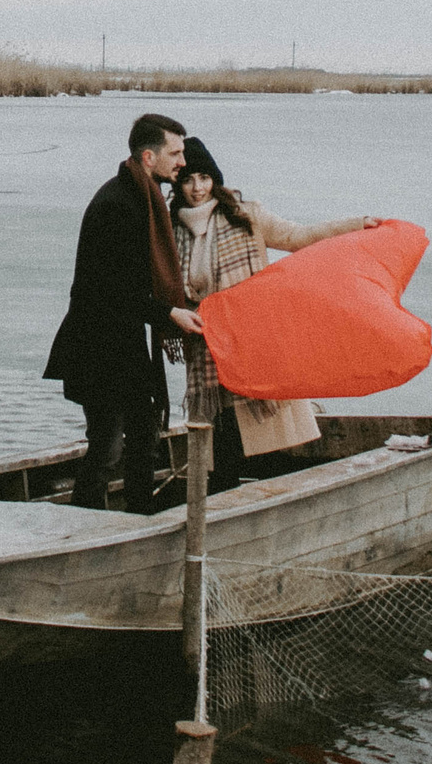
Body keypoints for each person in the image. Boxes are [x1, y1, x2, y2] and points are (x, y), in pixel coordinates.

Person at [169, 136, 380, 489]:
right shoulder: (170, 229)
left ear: (214, 179)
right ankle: (225, 495)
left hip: (248, 336)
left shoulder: (245, 215)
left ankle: (267, 495)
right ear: (178, 183)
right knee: (220, 426)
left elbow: (298, 236)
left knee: (259, 421)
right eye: (188, 179)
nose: (196, 188)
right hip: (204, 341)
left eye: (204, 178)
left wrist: (355, 224)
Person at [43, 112, 197, 513]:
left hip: (121, 345)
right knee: (109, 447)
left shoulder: (140, 197)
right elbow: (113, 290)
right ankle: (84, 526)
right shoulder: (119, 204)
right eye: (175, 152)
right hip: (96, 347)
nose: (183, 161)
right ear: (149, 157)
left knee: (143, 439)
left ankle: (140, 519)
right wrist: (170, 314)